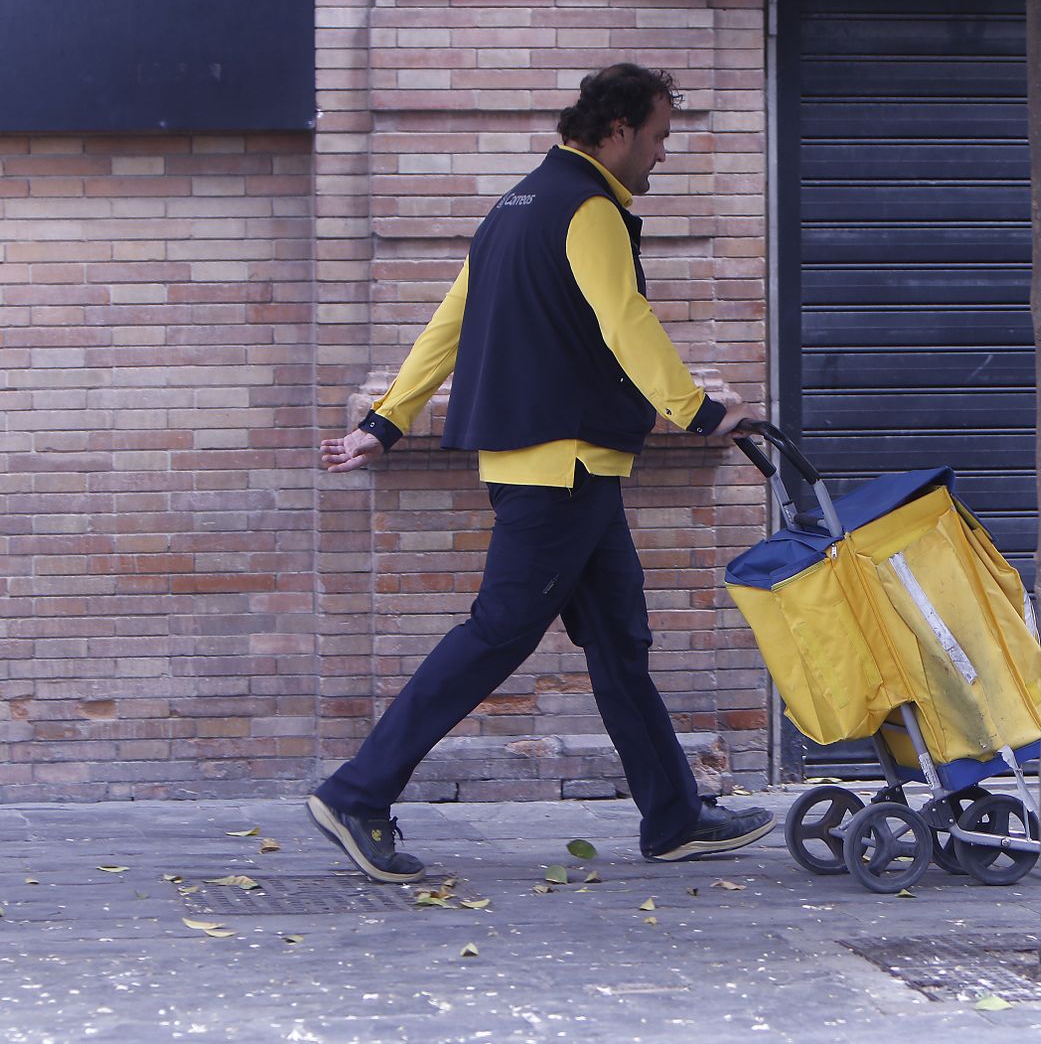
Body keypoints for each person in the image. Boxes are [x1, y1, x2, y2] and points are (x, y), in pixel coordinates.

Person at [309, 63, 772, 883]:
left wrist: (387, 420)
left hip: (568, 466)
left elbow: (448, 323)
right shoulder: (589, 208)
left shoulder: (512, 207)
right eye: (660, 136)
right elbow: (626, 319)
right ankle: (358, 792)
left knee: (621, 642)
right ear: (619, 130)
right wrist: (698, 409)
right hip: (561, 466)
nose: (664, 154)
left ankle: (672, 817)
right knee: (498, 633)